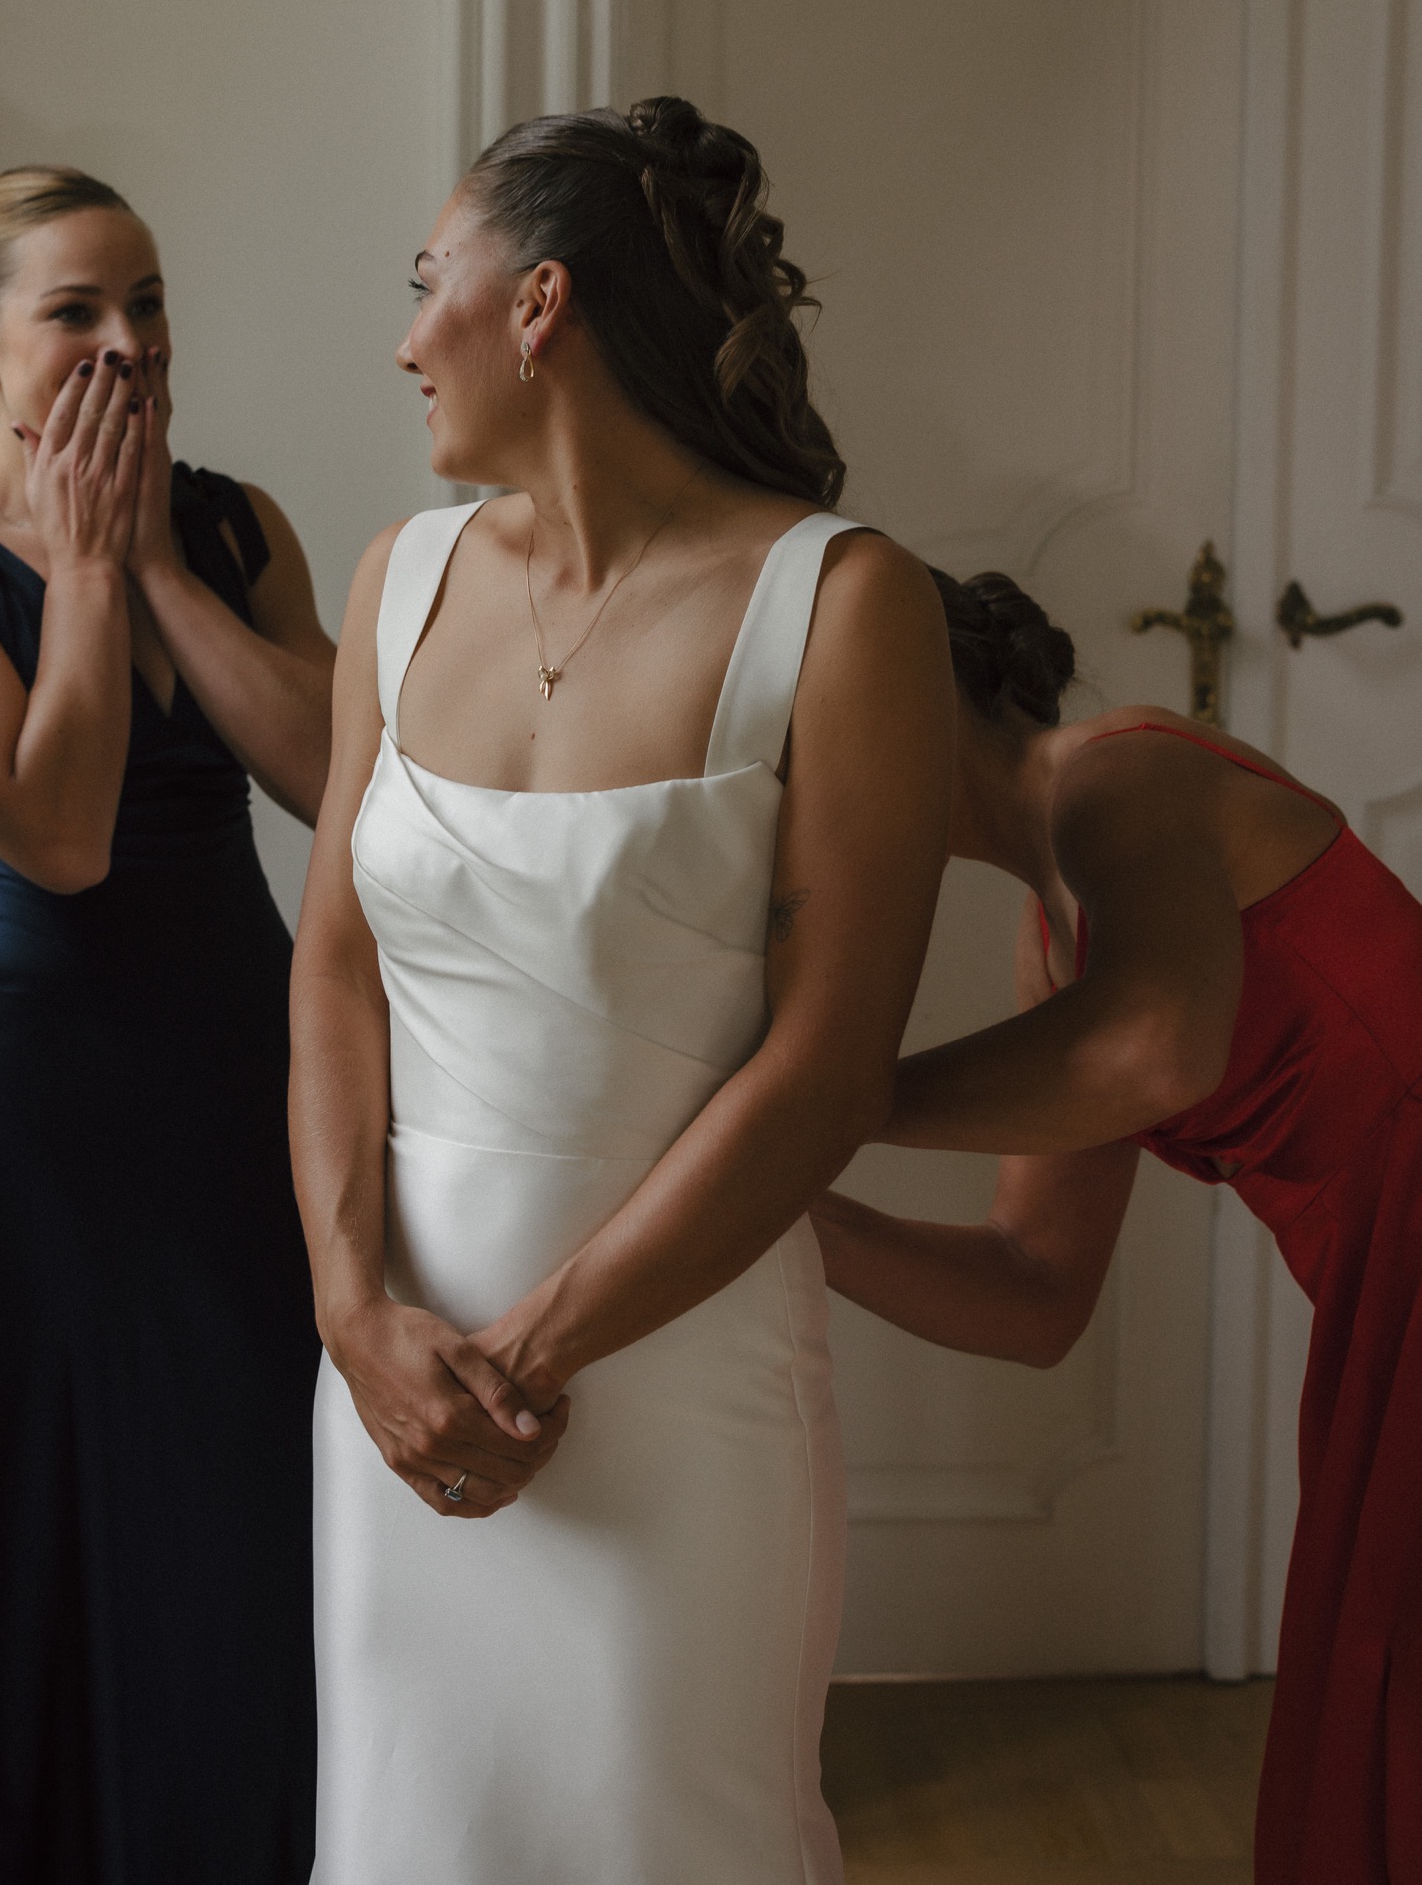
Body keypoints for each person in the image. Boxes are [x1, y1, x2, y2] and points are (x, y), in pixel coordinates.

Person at [289, 97, 954, 1885]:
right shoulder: (399, 581)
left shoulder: (840, 604)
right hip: (394, 1381)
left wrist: (523, 1361)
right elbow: (334, 967)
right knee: (416, 1836)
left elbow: (829, 1069)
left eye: (428, 281)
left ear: (538, 304)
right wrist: (355, 1321)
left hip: (675, 1377)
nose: (404, 337)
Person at [0, 166, 334, 1885]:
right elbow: (58, 834)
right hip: (28, 1156)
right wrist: (92, 577)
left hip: (248, 1122)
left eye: (150, 302)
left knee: (248, 1584)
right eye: (76, 312)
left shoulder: (237, 528)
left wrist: (152, 561)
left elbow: (339, 787)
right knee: (53, 1596)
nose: (129, 344)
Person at [809, 567, 1422, 1885]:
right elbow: (1031, 1291)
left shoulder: (1118, 773)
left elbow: (1156, 1050)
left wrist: (818, 1106)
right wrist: (800, 1217)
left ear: (911, 695)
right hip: (1382, 1284)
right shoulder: (1055, 938)